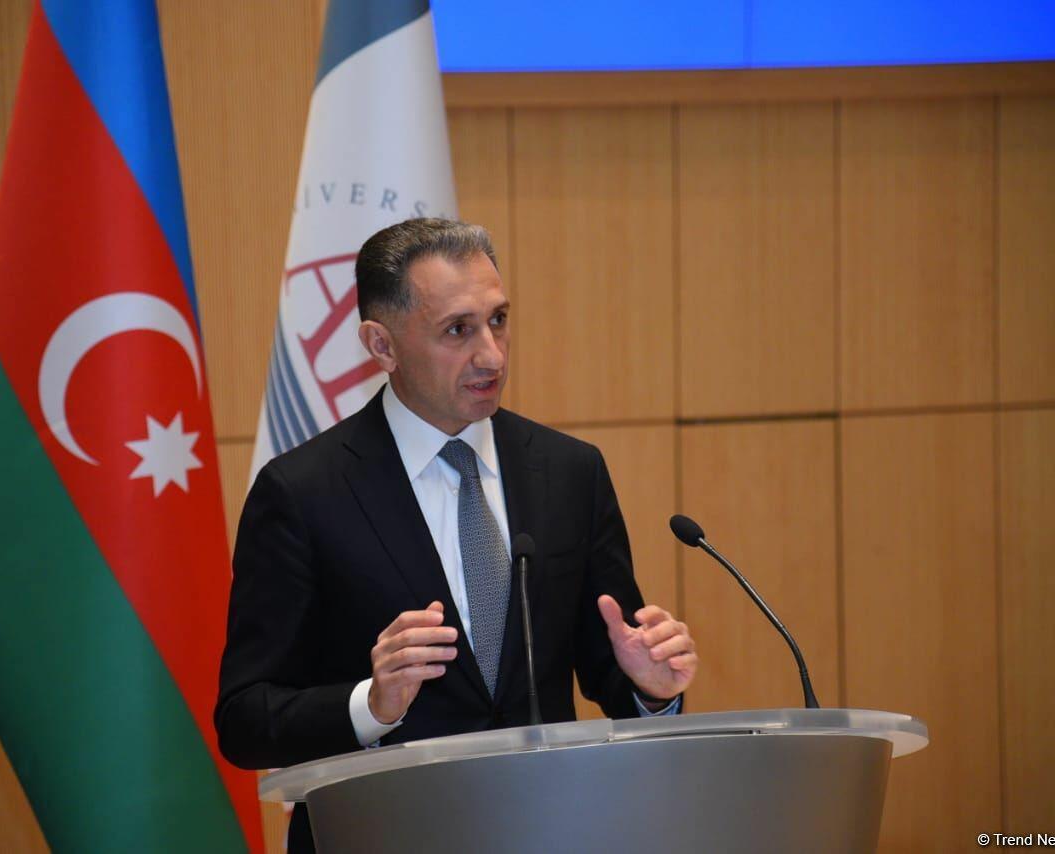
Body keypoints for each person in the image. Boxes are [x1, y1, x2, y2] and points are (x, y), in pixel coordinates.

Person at [215, 218, 698, 853]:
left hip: (549, 831)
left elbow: (609, 665)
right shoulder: (303, 493)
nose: (491, 355)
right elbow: (245, 719)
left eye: (498, 320)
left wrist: (650, 691)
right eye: (457, 330)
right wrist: (371, 705)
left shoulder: (568, 472)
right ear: (382, 345)